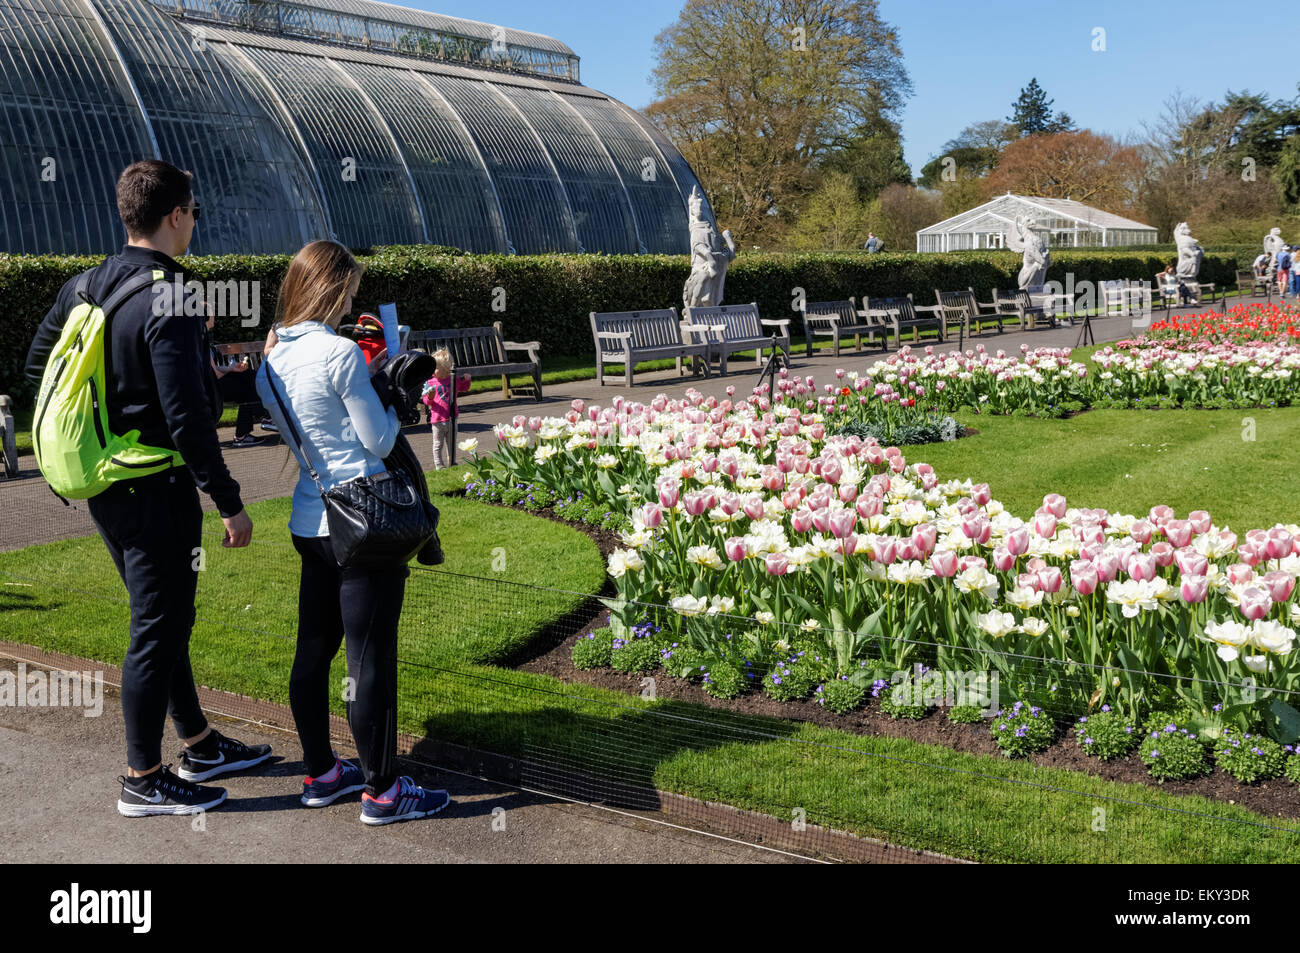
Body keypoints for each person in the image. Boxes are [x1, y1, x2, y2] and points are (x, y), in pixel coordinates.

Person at [24, 159, 269, 817]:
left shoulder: (86, 284)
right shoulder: (173, 293)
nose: (194, 222)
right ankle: (143, 775)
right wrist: (229, 499)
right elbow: (190, 416)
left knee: (161, 621)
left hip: (105, 483)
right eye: (193, 211)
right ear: (176, 215)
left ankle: (199, 743)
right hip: (153, 488)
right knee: (156, 626)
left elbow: (34, 368)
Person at [254, 239, 452, 825]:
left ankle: (320, 772)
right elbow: (379, 441)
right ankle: (384, 791)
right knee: (369, 660)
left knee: (313, 651)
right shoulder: (339, 353)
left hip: (310, 520)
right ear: (332, 289)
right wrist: (396, 393)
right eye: (350, 292)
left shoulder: (272, 361)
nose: (351, 304)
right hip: (363, 525)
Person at [206, 313, 276, 447]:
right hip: (209, 387)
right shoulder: (198, 339)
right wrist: (232, 371)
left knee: (248, 379)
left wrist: (231, 368)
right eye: (212, 314)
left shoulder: (201, 337)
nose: (214, 317)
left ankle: (245, 433)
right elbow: (213, 375)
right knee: (248, 383)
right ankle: (263, 418)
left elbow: (214, 368)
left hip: (214, 383)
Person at [421, 349, 470, 469]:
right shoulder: (430, 382)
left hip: (452, 418)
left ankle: (451, 462)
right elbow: (426, 401)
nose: (432, 371)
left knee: (451, 443)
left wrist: (467, 380)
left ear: (445, 368)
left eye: (435, 368)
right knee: (438, 444)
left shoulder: (453, 380)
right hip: (437, 420)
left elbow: (464, 388)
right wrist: (430, 397)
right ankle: (439, 464)